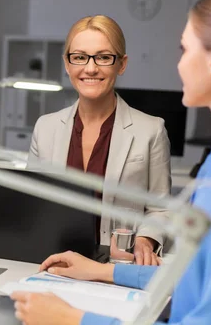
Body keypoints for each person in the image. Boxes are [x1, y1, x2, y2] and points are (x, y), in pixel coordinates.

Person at [11, 0, 211, 324]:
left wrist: (74, 320)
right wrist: (103, 272)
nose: (178, 66)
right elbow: (191, 275)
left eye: (184, 49)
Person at [28, 15, 170, 265]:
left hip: (116, 266)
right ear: (67, 64)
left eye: (103, 57)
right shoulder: (45, 127)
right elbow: (30, 202)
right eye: (80, 57)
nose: (90, 68)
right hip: (53, 262)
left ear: (121, 64)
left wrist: (146, 240)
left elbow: (161, 209)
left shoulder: (152, 130)